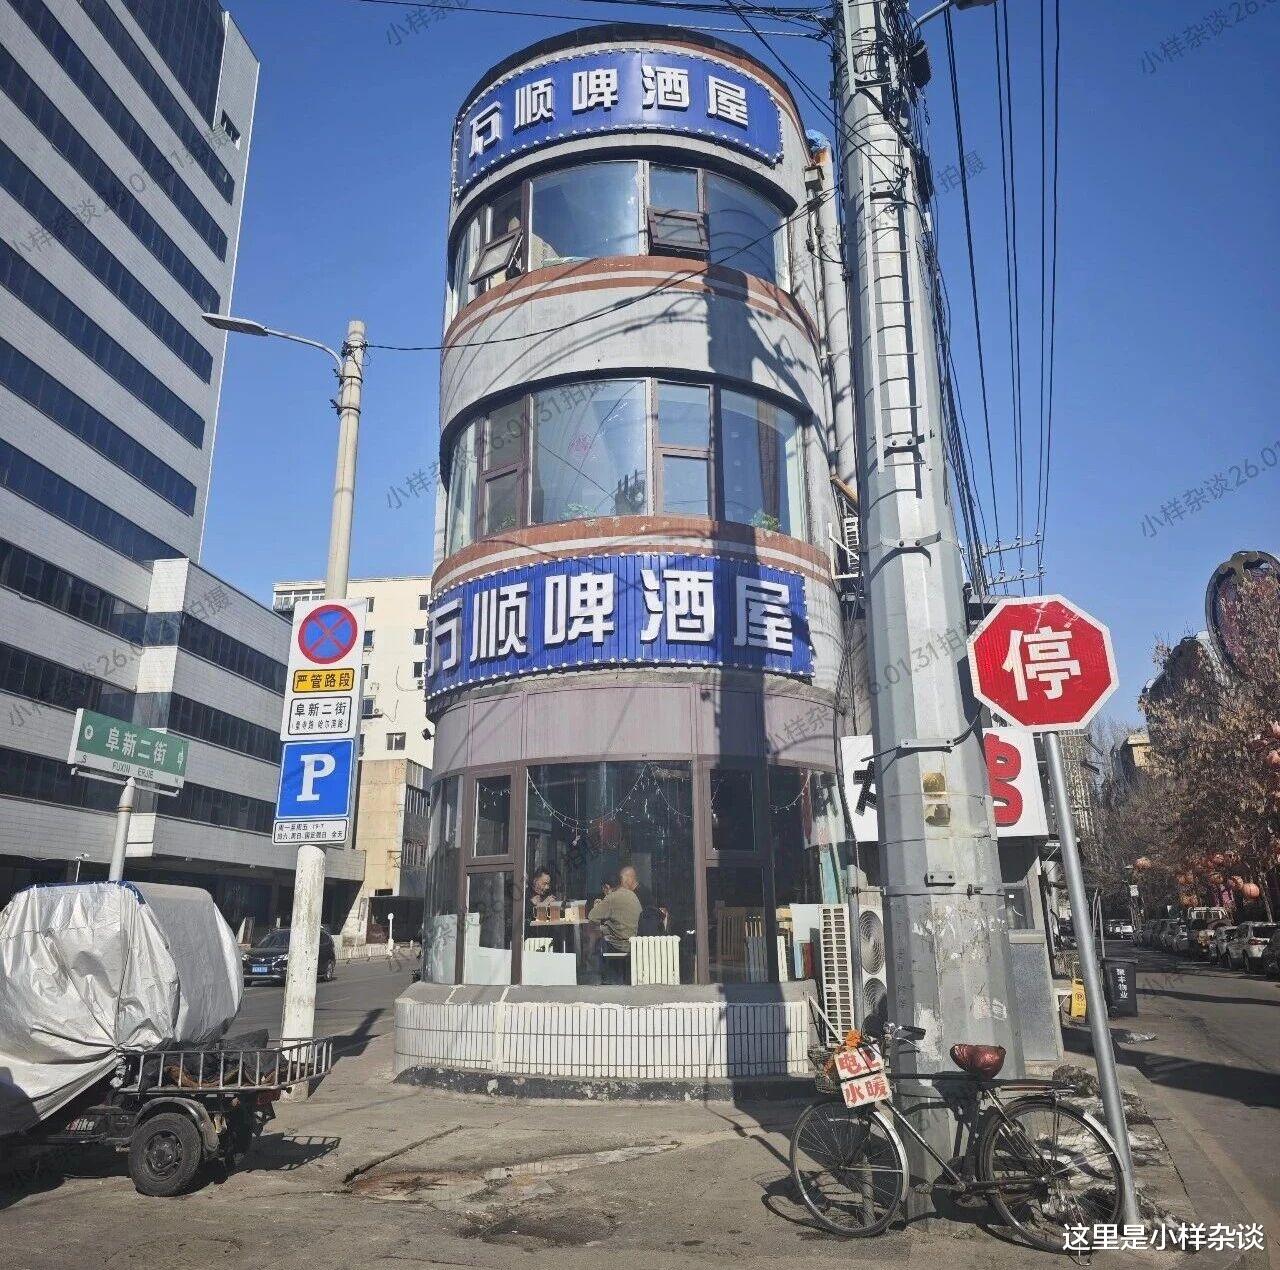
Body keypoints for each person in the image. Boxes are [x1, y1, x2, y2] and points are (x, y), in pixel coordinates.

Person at [589, 866, 642, 981]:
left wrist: (598, 906)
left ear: (607, 887)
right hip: (635, 941)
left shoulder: (611, 898)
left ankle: (603, 977)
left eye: (603, 890)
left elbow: (592, 917)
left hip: (621, 945)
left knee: (597, 940)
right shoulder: (631, 894)